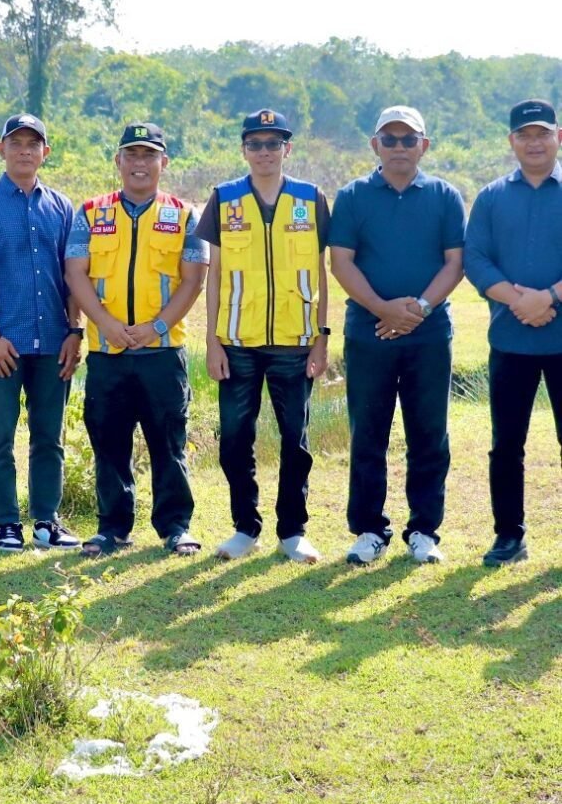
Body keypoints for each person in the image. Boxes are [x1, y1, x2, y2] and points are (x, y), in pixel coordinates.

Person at [330, 105, 466, 565]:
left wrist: (418, 310)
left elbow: (455, 263)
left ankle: (424, 530)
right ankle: (369, 529)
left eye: (409, 139)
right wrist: (383, 308)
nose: (399, 147)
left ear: (423, 145)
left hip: (429, 334)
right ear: (375, 145)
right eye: (390, 139)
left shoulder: (445, 196)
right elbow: (341, 262)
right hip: (369, 333)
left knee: (429, 433)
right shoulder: (352, 196)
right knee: (368, 433)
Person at [65, 122, 207, 557]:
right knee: (108, 442)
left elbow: (193, 280)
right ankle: (112, 528)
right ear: (118, 161)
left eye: (149, 155)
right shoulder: (91, 213)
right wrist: (105, 324)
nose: (140, 163)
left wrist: (157, 327)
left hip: (161, 352)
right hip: (108, 351)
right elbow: (75, 273)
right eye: (132, 154)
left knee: (168, 442)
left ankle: (175, 527)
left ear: (164, 162)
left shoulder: (185, 215)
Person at [200, 109, 330, 564]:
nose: (264, 152)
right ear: (244, 150)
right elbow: (215, 275)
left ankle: (292, 531)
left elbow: (321, 273)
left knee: (296, 439)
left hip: (295, 340)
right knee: (235, 439)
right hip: (237, 341)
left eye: (273, 143)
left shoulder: (311, 199)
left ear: (286, 149)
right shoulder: (224, 199)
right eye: (255, 144)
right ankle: (245, 527)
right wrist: (212, 340)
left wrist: (322, 337)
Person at [0, 113, 82, 552]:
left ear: (45, 152)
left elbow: (72, 276)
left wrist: (75, 331)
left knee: (49, 436)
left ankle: (46, 521)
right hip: (2, 341)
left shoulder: (62, 207)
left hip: (53, 341)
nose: (25, 151)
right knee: (0, 435)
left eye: (33, 144)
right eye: (16, 143)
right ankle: (6, 522)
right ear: (1, 149)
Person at [465, 99, 562, 566]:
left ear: (558, 137)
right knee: (506, 446)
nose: (534, 142)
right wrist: (520, 301)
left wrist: (551, 297)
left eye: (542, 133)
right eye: (525, 135)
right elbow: (475, 259)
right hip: (511, 340)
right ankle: (509, 536)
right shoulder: (491, 197)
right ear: (511, 141)